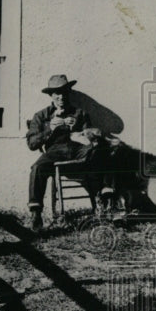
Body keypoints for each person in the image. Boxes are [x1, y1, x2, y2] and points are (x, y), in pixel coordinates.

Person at [25, 74, 97, 232]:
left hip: (77, 148)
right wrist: (49, 129)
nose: (61, 96)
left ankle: (107, 204)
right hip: (54, 151)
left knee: (100, 153)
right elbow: (31, 144)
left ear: (68, 93)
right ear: (51, 95)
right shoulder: (41, 115)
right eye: (57, 93)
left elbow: (91, 137)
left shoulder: (80, 113)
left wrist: (79, 131)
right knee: (37, 167)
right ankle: (36, 214)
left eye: (64, 92)